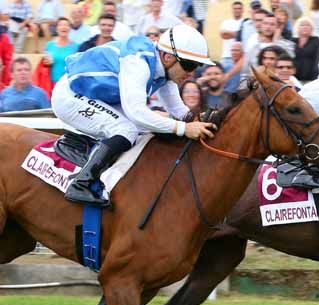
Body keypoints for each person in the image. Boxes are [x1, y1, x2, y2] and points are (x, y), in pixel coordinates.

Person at [51, 24, 216, 207]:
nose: (192, 73)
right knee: (126, 129)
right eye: (189, 65)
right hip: (71, 95)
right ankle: (81, 183)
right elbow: (136, 112)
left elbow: (181, 113)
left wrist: (201, 122)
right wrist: (184, 128)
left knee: (147, 129)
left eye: (197, 66)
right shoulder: (138, 63)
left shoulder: (165, 72)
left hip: (97, 97)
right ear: (167, 57)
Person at [43, 18, 79, 84]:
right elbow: (45, 64)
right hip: (52, 83)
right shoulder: (49, 45)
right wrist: (47, 62)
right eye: (61, 25)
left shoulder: (76, 46)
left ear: (70, 28)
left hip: (69, 83)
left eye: (66, 25)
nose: (64, 27)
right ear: (56, 29)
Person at [292, 17, 319, 82]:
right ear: (297, 28)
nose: (305, 27)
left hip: (312, 77)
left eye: (308, 25)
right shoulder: (292, 41)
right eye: (302, 25)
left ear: (312, 28)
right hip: (295, 78)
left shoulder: (316, 41)